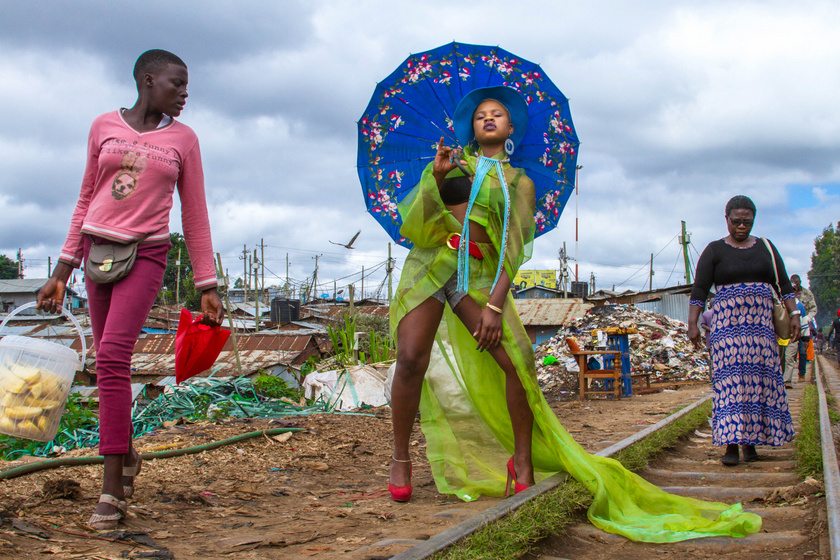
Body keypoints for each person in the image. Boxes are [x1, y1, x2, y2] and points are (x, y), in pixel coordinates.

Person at [389, 86, 761, 542]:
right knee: (411, 359)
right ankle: (401, 457)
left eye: (498, 114)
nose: (488, 118)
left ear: (510, 129)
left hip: (480, 275)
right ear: (472, 126)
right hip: (430, 266)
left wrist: (493, 304)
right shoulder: (450, 164)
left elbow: (514, 248)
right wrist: (434, 174)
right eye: (481, 114)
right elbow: (415, 225)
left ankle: (522, 461)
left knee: (519, 364)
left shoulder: (519, 182)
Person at [36, 49, 224, 530]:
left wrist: (207, 282)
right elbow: (85, 197)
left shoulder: (184, 140)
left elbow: (195, 212)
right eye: (176, 84)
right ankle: (127, 454)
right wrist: (62, 269)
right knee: (103, 362)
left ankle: (111, 488)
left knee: (116, 356)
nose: (185, 93)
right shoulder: (103, 126)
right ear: (147, 80)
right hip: (96, 250)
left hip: (146, 253)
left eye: (186, 86)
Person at [688, 195, 800, 467]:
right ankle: (730, 445)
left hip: (761, 331)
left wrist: (794, 314)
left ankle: (750, 444)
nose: (741, 226)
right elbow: (699, 290)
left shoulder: (766, 248)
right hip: (727, 332)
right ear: (726, 219)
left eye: (747, 222)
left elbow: (784, 284)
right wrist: (692, 323)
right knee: (730, 386)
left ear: (753, 220)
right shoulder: (714, 250)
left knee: (757, 386)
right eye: (736, 221)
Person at [783, 274, 817, 383]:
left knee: (802, 352)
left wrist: (808, 318)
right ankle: (786, 377)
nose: (795, 286)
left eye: (796, 284)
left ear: (800, 282)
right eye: (793, 284)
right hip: (789, 328)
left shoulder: (807, 294)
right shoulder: (785, 295)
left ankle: (801, 373)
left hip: (803, 325)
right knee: (787, 355)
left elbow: (813, 308)